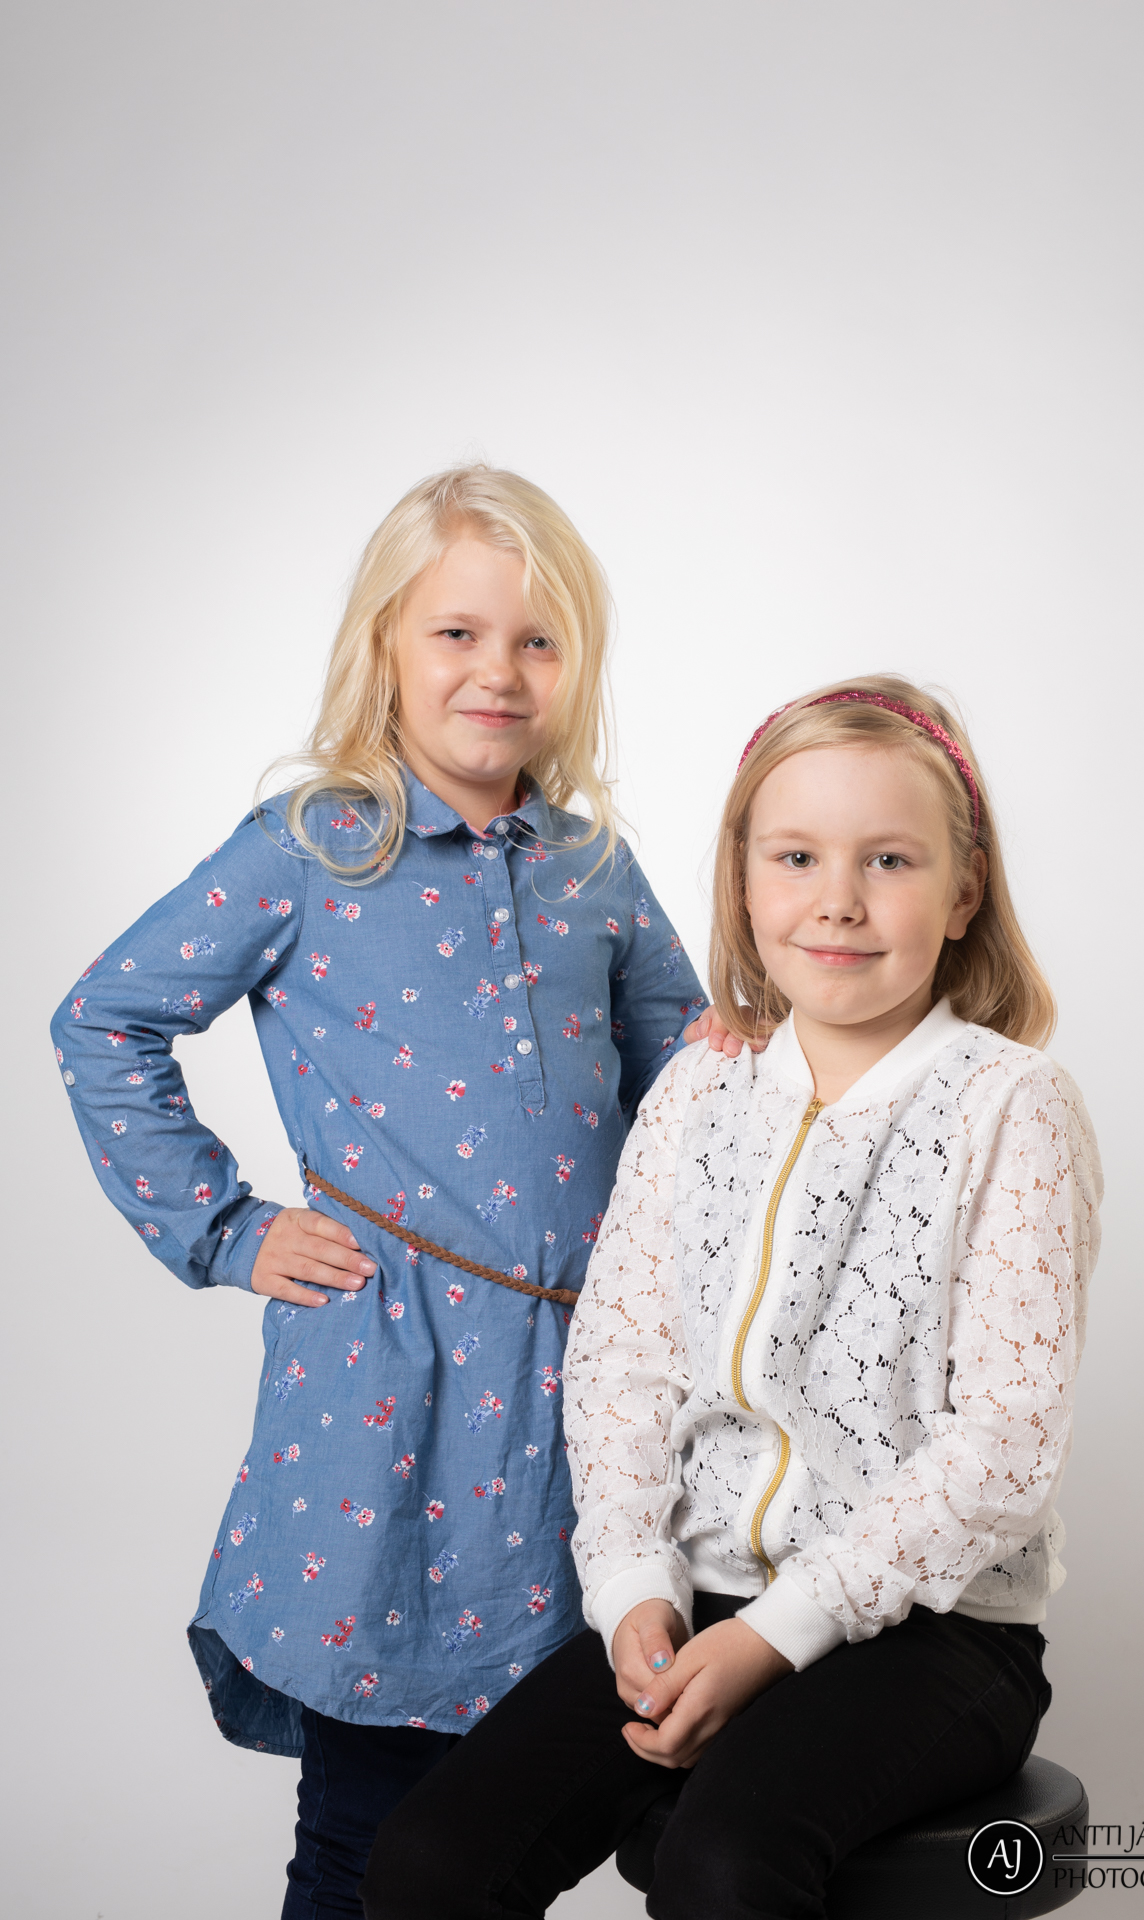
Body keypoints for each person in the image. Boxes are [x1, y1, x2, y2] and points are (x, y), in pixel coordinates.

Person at [48, 465, 737, 1918]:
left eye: (538, 642)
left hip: (586, 1390)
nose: (499, 671)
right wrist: (226, 1230)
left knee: (535, 1805)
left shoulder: (592, 870)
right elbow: (104, 1020)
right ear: (385, 647)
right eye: (457, 634)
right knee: (368, 1821)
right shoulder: (309, 850)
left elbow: (692, 1077)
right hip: (387, 1393)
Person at [361, 673, 1104, 1920]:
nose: (836, 899)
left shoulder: (1010, 1107)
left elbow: (1005, 1447)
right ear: (743, 881)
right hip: (698, 1590)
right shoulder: (698, 1094)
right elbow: (623, 1365)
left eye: (888, 861)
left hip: (936, 1629)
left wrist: (776, 1634)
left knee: (721, 1866)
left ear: (963, 892)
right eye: (795, 856)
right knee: (430, 1859)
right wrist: (632, 1590)